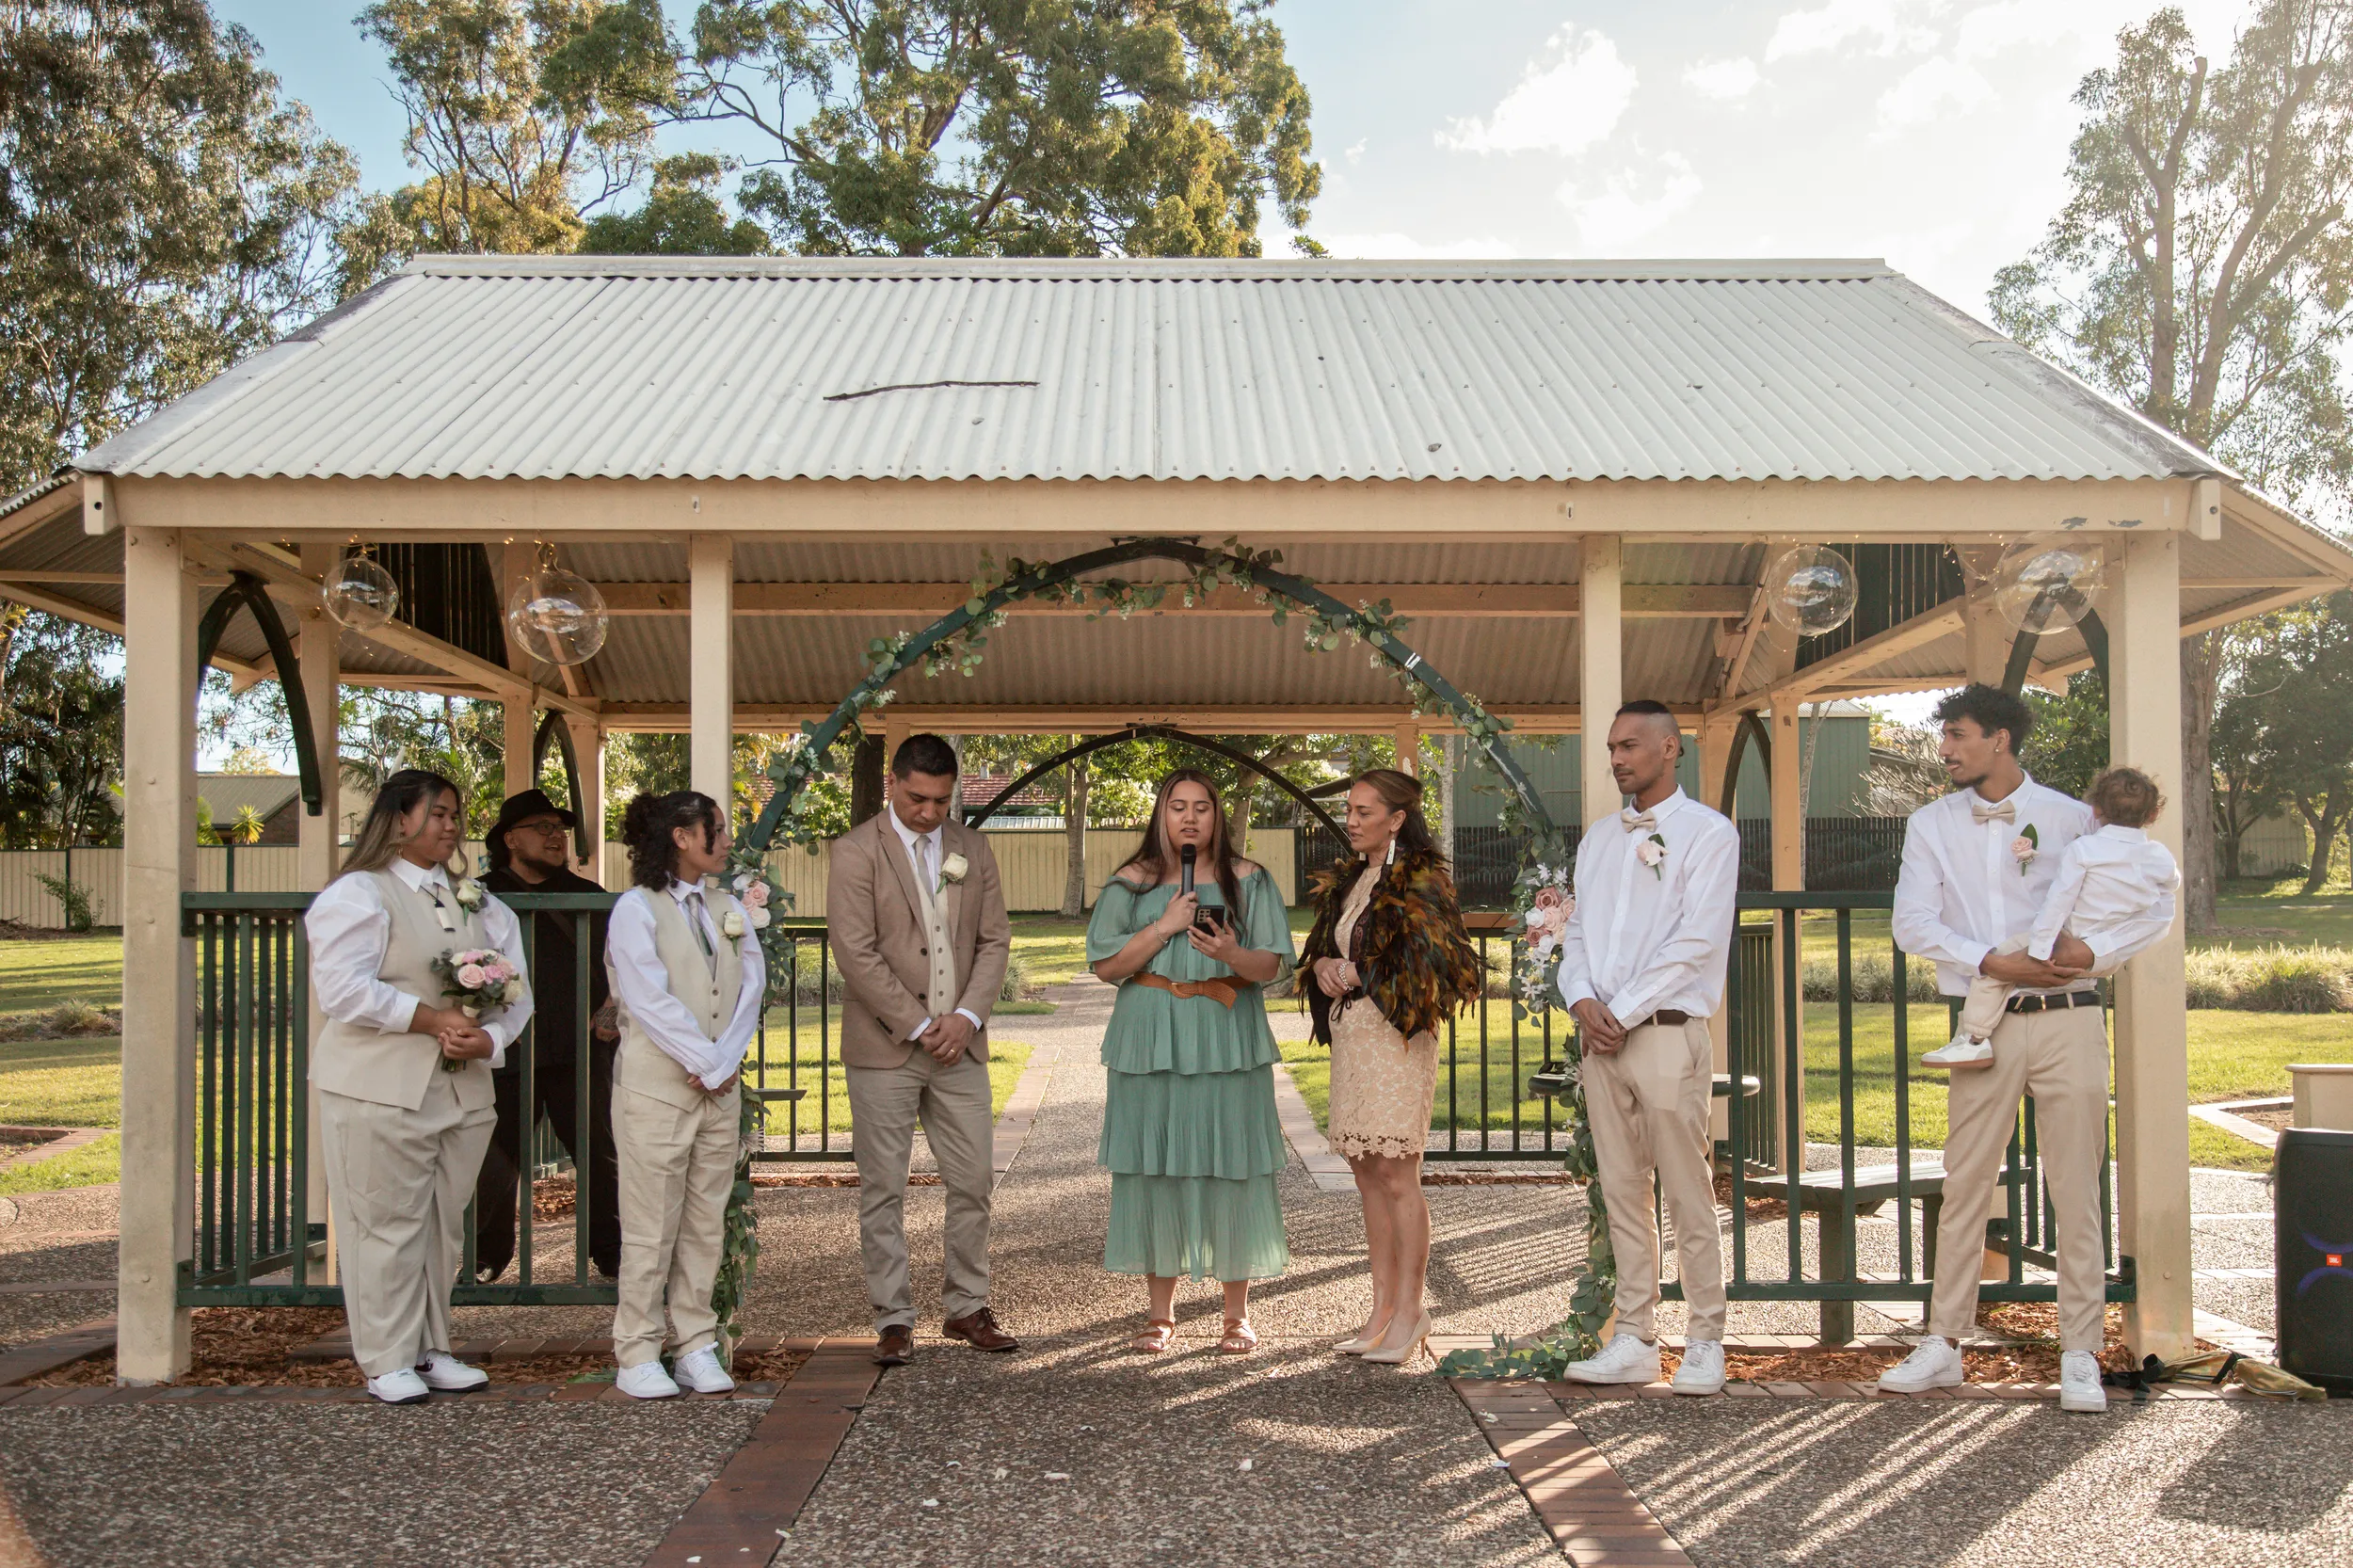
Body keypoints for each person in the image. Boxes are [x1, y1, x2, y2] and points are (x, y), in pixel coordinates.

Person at [1881, 686, 2177, 1410]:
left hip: (2071, 1015)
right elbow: (1911, 923)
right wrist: (1990, 959)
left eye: (1956, 735)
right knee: (1965, 1182)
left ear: (2000, 739)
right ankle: (1942, 1342)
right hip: (1983, 1024)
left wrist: (2093, 950)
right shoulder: (1928, 825)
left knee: (2076, 1184)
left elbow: (2153, 908)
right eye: (1945, 735)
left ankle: (2079, 1350)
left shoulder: (2077, 820)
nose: (1945, 749)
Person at [306, 769, 532, 1404]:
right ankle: (385, 1357)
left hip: (460, 1091)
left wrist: (490, 1039)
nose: (450, 824)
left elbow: (516, 987)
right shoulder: (360, 894)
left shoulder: (476, 901)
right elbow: (345, 991)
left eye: (455, 814)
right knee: (384, 1224)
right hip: (380, 1088)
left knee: (442, 1225)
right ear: (398, 819)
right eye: (437, 813)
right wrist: (431, 1019)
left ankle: (432, 1348)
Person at [1553, 701, 1739, 1396]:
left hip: (1664, 1033)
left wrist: (1622, 1011)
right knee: (1622, 1190)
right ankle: (1633, 1335)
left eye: (1630, 745)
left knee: (1687, 1187)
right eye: (1611, 747)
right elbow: (1576, 935)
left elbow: (1696, 940)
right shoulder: (1599, 839)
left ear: (1670, 748)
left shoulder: (1708, 835)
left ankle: (1706, 1338)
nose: (1617, 758)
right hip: (1604, 1039)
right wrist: (1581, 1000)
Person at [1088, 770, 1295, 1355]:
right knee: (1158, 1167)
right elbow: (1107, 967)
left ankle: (1236, 1315)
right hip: (1150, 1037)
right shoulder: (1128, 884)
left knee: (1232, 1165)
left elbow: (1272, 968)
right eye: (1177, 806)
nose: (1190, 818)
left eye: (1202, 807)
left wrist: (1230, 951)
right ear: (1160, 814)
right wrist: (1163, 926)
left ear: (1217, 817)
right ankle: (1160, 1314)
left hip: (1226, 1035)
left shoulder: (1249, 880)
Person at [828, 734, 1017, 1367]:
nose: (929, 813)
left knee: (974, 1180)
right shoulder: (856, 851)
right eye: (917, 798)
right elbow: (855, 952)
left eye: (940, 801)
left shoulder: (972, 847)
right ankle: (893, 1317)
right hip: (885, 1047)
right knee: (883, 1186)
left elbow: (994, 941)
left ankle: (967, 1305)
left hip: (960, 1047)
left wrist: (965, 1017)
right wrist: (917, 1024)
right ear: (892, 782)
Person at [1300, 769, 1482, 1365]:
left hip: (1398, 1040)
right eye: (1350, 810)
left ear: (1397, 819)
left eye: (1364, 811)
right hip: (1355, 1038)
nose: (1351, 820)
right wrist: (1326, 966)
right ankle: (1380, 1309)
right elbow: (1337, 948)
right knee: (1366, 1174)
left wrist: (1362, 974)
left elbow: (1442, 966)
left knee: (1398, 1175)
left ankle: (1411, 1310)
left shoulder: (1423, 880)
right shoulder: (1354, 879)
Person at [603, 790, 764, 1399]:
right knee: (651, 1221)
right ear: (680, 836)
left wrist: (724, 1062)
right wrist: (703, 1058)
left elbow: (752, 983)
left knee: (705, 1219)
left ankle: (695, 1342)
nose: (725, 840)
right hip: (658, 1090)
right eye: (715, 830)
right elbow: (645, 997)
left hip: (715, 1089)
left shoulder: (729, 905)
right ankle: (637, 1349)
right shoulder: (635, 908)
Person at [1923, 765, 2180, 1070]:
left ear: (2095, 809)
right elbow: (2170, 887)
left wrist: (2040, 950)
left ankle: (1974, 1040)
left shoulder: (2084, 849)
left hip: (2067, 937)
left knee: (1997, 966)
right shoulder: (2159, 856)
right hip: (2103, 951)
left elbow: (2058, 902)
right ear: (2152, 815)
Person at [474, 787, 621, 1282]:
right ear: (511, 839)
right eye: (543, 828)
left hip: (578, 1051)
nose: (556, 836)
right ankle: (486, 1256)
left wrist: (605, 1020)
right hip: (507, 1050)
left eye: (559, 828)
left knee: (599, 1152)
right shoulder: (478, 898)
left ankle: (613, 1253)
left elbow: (621, 970)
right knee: (494, 1156)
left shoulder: (593, 898)